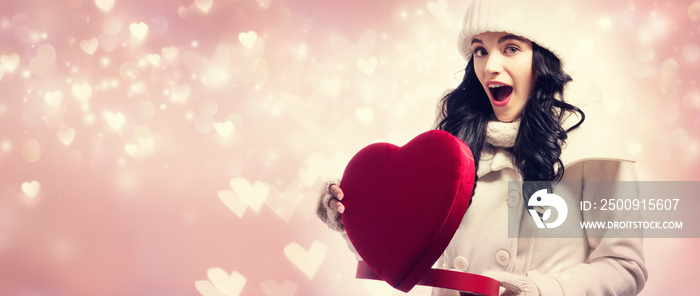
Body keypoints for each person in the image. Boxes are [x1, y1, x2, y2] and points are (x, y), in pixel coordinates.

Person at [317, 0, 648, 295]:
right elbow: (411, 255)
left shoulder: (593, 139)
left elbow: (623, 267)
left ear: (542, 58)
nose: (490, 66)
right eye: (480, 50)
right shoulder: (451, 138)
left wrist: (541, 291)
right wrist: (353, 217)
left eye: (511, 48)